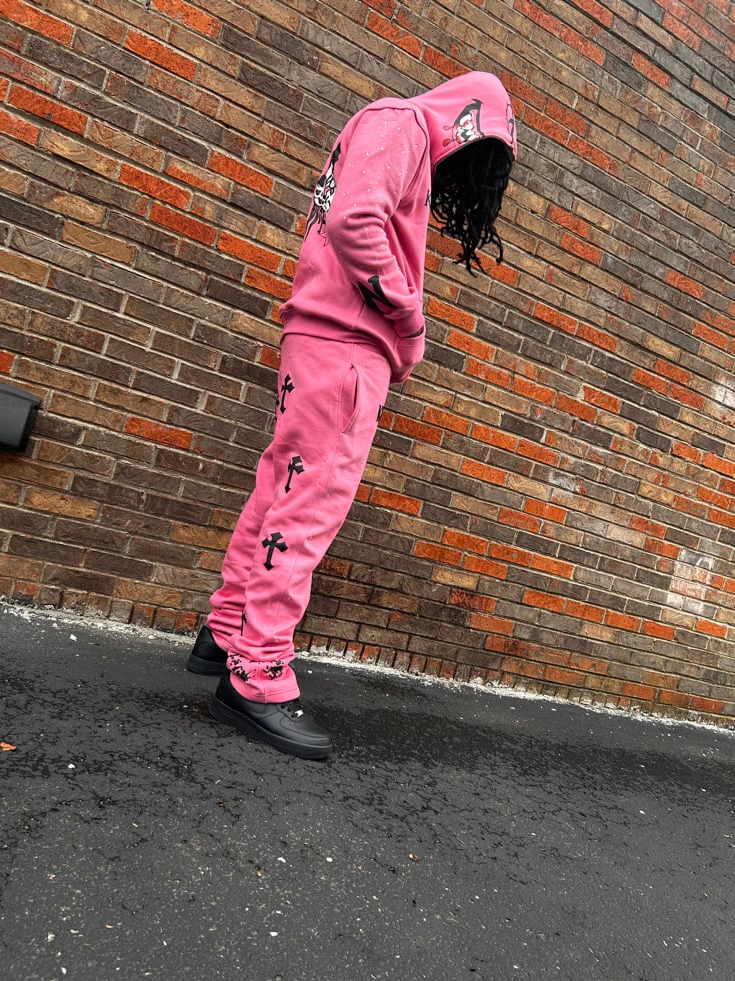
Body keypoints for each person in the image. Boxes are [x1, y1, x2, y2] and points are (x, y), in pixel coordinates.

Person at [186, 71, 517, 759]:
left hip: (319, 338)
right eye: (482, 155)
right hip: (345, 347)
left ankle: (224, 634)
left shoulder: (387, 124)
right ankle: (257, 677)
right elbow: (355, 221)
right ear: (471, 122)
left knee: (279, 490)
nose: (472, 177)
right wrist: (411, 317)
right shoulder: (405, 123)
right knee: (309, 509)